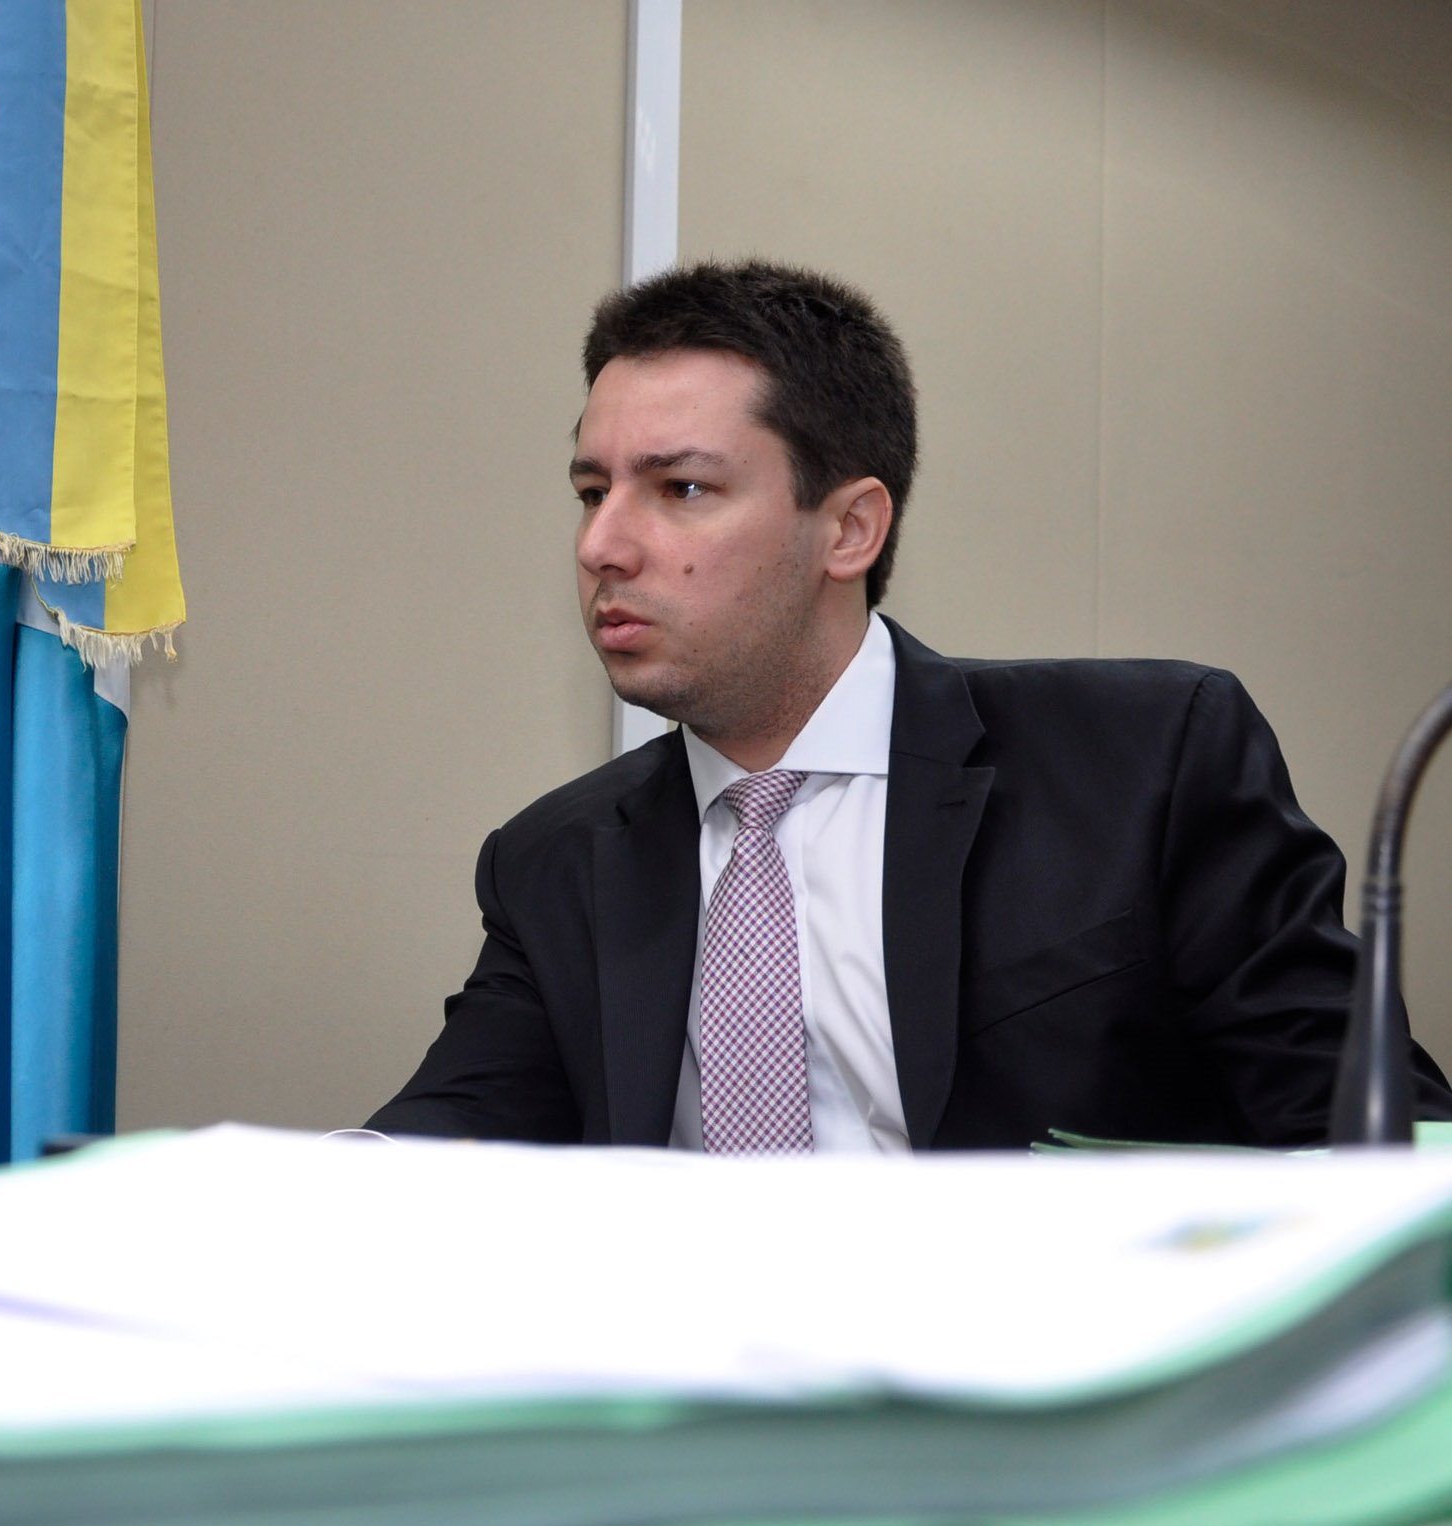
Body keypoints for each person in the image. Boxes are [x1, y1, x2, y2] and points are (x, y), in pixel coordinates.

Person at [369, 260, 1448, 1152]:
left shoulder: (1145, 760)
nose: (602, 544)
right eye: (591, 492)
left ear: (849, 530)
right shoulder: (553, 861)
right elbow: (438, 1147)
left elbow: (1369, 1139)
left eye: (681, 488)